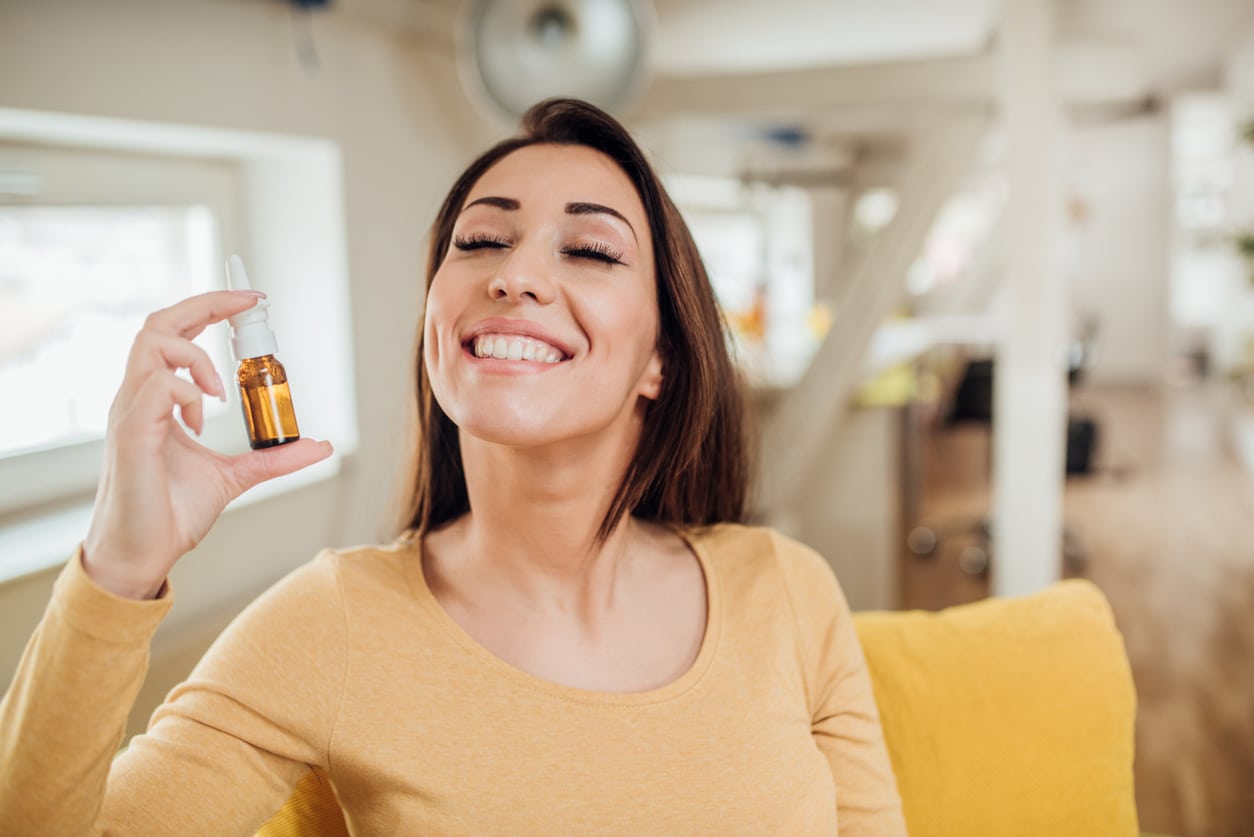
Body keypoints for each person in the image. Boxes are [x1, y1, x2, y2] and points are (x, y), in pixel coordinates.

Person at [0, 98, 906, 835]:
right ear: (439, 326)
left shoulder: (788, 591)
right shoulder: (331, 624)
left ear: (662, 358)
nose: (514, 275)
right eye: (479, 241)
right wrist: (117, 567)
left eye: (589, 250)